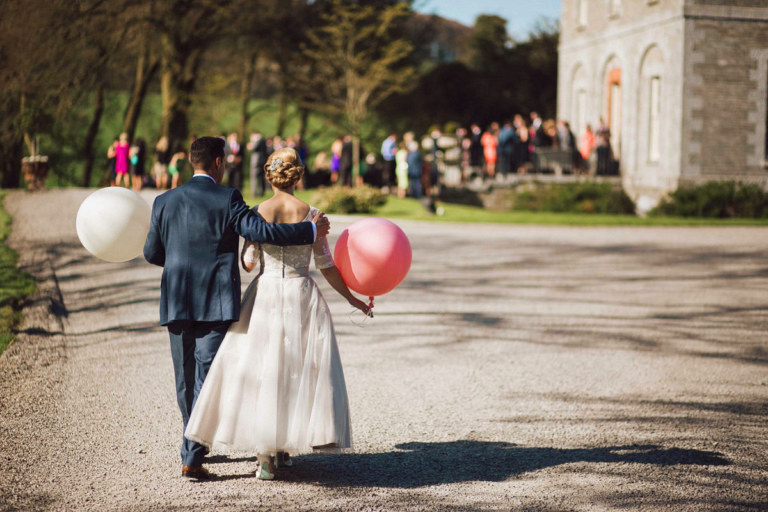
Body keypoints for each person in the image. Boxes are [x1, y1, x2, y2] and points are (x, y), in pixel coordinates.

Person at [143, 136, 329, 480]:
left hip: (176, 300)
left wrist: (181, 264)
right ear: (217, 162)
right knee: (207, 375)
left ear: (189, 160)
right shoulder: (228, 198)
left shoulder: (163, 200)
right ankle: (192, 453)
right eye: (225, 160)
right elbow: (259, 230)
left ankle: (192, 447)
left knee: (184, 380)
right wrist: (308, 229)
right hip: (215, 300)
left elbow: (152, 252)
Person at [184, 147, 369, 480]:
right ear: (297, 174)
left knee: (263, 370)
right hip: (301, 295)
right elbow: (326, 266)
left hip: (266, 294)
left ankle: (267, 456)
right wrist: (353, 299)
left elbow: (249, 263)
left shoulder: (258, 212)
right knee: (294, 369)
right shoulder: (313, 215)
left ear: (270, 175)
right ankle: (282, 449)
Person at [248, 132, 269, 197]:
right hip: (262, 161)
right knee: (261, 178)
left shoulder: (258, 141)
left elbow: (253, 149)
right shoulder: (263, 141)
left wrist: (251, 144)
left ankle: (254, 193)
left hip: (256, 161)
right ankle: (261, 191)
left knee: (254, 177)